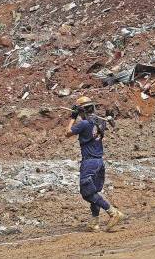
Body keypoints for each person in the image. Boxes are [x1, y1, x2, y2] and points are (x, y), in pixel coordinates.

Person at [65, 96, 124, 232]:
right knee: (94, 192)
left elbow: (67, 133)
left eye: (79, 111)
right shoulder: (100, 122)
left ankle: (113, 212)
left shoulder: (84, 124)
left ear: (81, 110)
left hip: (89, 162)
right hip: (99, 162)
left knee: (87, 192)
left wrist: (72, 117)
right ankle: (94, 222)